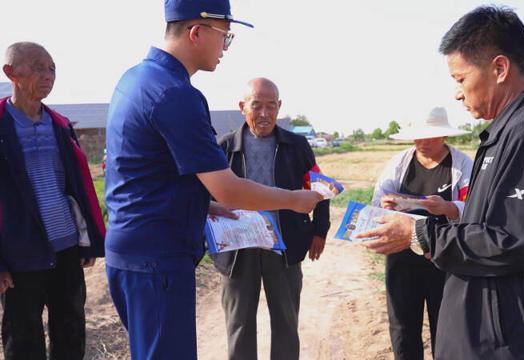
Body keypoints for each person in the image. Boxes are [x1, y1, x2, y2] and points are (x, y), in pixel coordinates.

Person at [357, 6, 524, 359]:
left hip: (511, 341)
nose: (457, 93)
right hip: (489, 335)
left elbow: (507, 241)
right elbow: (485, 227)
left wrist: (419, 233)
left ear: (499, 68)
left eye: (461, 79)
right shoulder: (505, 132)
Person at [104, 1, 322, 359]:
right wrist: (294, 200)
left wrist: (203, 204)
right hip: (158, 258)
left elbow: (147, 175)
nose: (225, 48)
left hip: (132, 250)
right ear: (196, 32)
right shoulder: (176, 94)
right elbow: (230, 188)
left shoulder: (136, 79)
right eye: (225, 36)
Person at [0, 42, 105, 360]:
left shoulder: (60, 126)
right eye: (37, 67)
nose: (48, 75)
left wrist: (89, 242)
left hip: (66, 250)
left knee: (71, 334)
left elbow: (79, 186)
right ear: (11, 73)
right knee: (23, 342)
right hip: (20, 257)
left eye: (52, 68)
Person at [212, 78, 330, 360]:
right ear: (242, 107)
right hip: (238, 250)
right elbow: (205, 194)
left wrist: (319, 230)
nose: (264, 114)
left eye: (270, 106)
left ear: (279, 107)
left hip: (284, 246)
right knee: (239, 323)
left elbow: (321, 186)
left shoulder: (297, 145)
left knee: (286, 322)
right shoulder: (223, 147)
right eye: (257, 106)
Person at [371, 107, 472, 360]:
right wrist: (385, 205)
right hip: (402, 257)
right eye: (418, 136)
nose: (423, 142)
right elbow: (377, 201)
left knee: (447, 329)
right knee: (403, 329)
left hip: (445, 260)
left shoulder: (462, 166)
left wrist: (448, 207)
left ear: (445, 136)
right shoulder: (399, 163)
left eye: (430, 136)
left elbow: (473, 207)